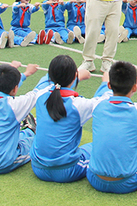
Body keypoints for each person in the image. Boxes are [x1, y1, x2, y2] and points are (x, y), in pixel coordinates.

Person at [85, 61, 137, 193]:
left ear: (109, 85)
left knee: (96, 144)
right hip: (128, 182)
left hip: (96, 179)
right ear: (135, 88)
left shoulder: (97, 105)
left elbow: (104, 95)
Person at [31, 55, 106, 183]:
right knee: (98, 148)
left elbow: (51, 84)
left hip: (38, 167)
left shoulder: (39, 95)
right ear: (73, 76)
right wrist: (105, 83)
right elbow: (101, 102)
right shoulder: (78, 105)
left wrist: (77, 77)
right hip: (67, 171)